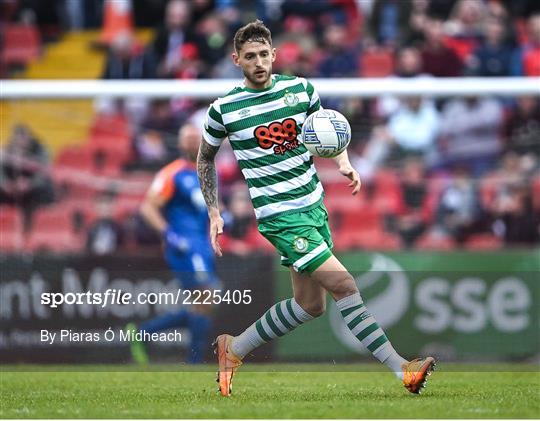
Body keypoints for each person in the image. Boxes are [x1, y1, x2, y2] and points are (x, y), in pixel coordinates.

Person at [196, 20, 435, 397]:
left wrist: (343, 162)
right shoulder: (224, 109)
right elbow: (205, 159)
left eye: (263, 54)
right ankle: (403, 368)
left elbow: (326, 132)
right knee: (344, 284)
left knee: (310, 305)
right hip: (279, 215)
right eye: (249, 57)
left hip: (313, 205)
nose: (258, 62)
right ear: (236, 60)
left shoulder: (301, 89)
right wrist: (214, 210)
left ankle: (235, 347)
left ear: (274, 55)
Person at [127, 123, 217, 364]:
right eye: (187, 138)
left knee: (204, 302)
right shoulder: (172, 173)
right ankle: (194, 361)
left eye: (195, 138)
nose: (192, 142)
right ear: (179, 144)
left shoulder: (205, 172)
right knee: (207, 296)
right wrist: (169, 235)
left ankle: (143, 333)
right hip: (184, 247)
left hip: (201, 245)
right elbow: (147, 207)